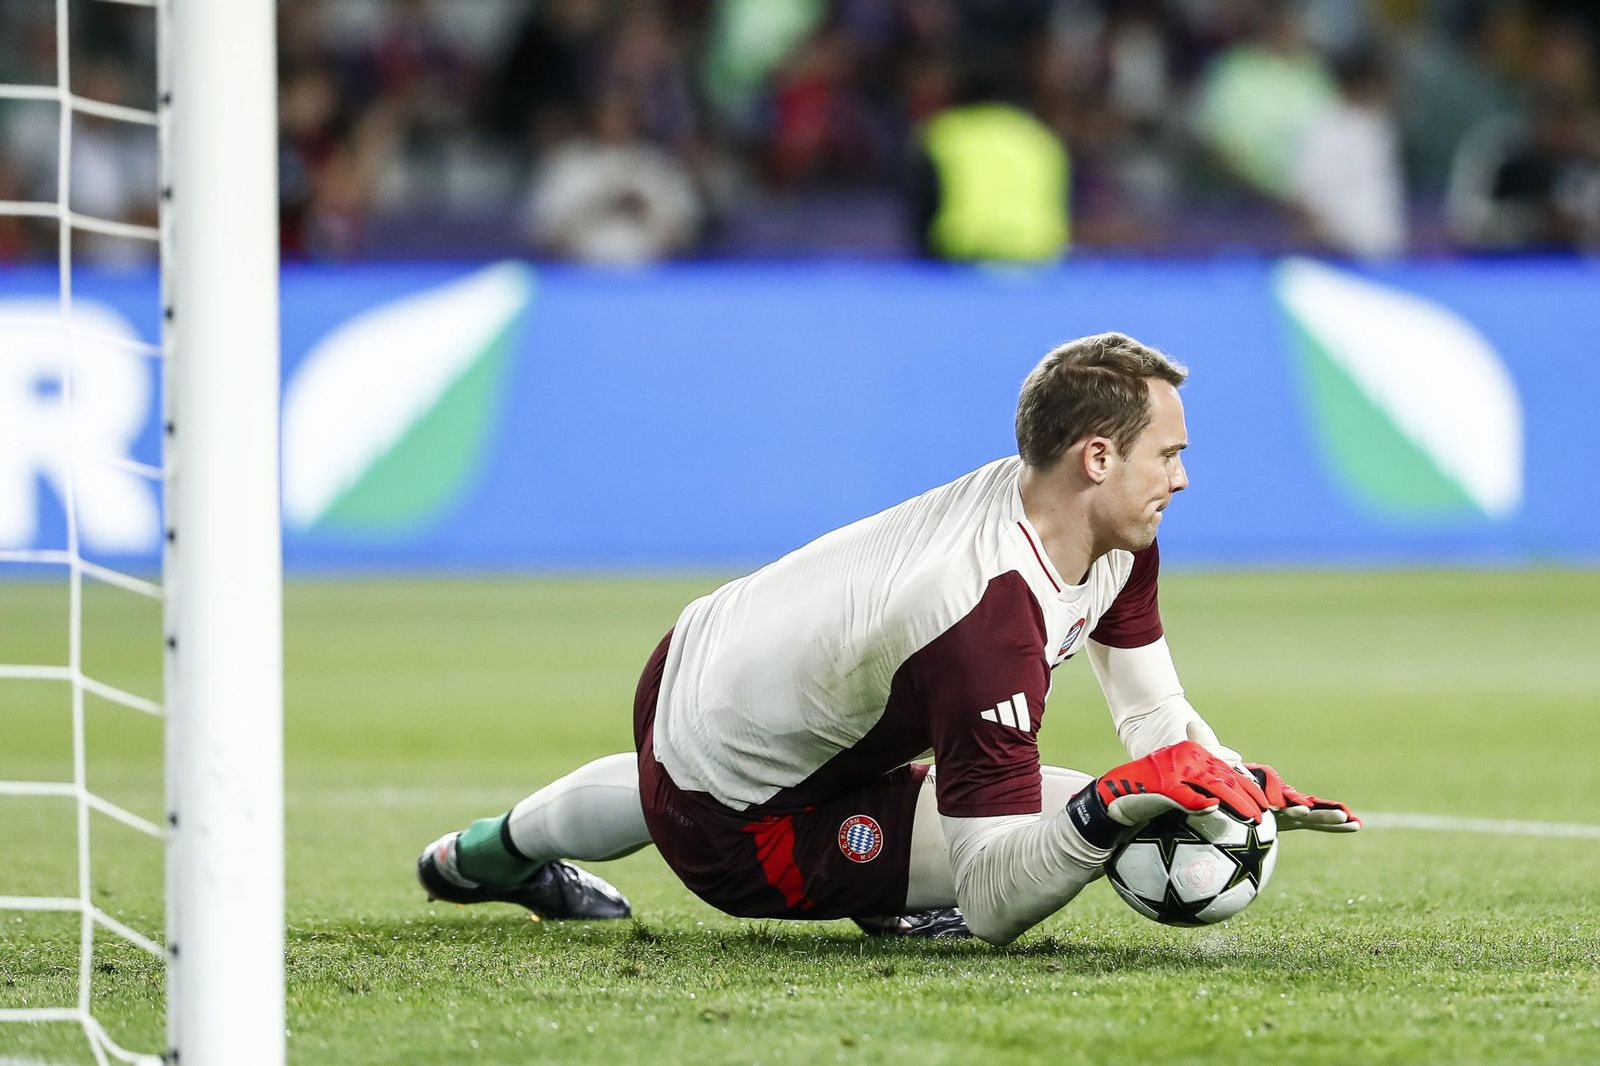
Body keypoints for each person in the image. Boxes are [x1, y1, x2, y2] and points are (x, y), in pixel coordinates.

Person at [416, 332, 1359, 945]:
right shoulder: (983, 617)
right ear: (1098, 457)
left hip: (702, 670)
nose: (1183, 479)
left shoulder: (1085, 520)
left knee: (674, 774)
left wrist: (1225, 776)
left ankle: (482, 854)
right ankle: (880, 887)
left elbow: (1154, 710)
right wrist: (1108, 808)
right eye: (1172, 454)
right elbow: (992, 901)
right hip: (739, 829)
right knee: (1070, 814)